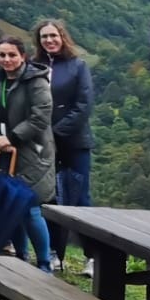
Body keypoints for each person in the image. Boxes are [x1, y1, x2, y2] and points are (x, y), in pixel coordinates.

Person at [0, 37, 56, 271]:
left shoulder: (36, 82)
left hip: (33, 152)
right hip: (1, 151)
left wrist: (12, 138)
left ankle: (44, 262)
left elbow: (40, 116)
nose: (7, 60)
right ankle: (21, 257)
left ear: (23, 56)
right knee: (10, 206)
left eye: (12, 55)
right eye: (2, 55)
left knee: (30, 208)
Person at [37, 19, 94, 275]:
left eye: (53, 35)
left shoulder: (78, 66)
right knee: (51, 198)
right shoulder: (34, 66)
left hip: (74, 143)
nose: (49, 40)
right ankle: (54, 254)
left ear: (62, 37)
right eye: (44, 37)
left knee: (80, 198)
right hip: (43, 145)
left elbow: (83, 106)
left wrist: (55, 133)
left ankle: (92, 256)